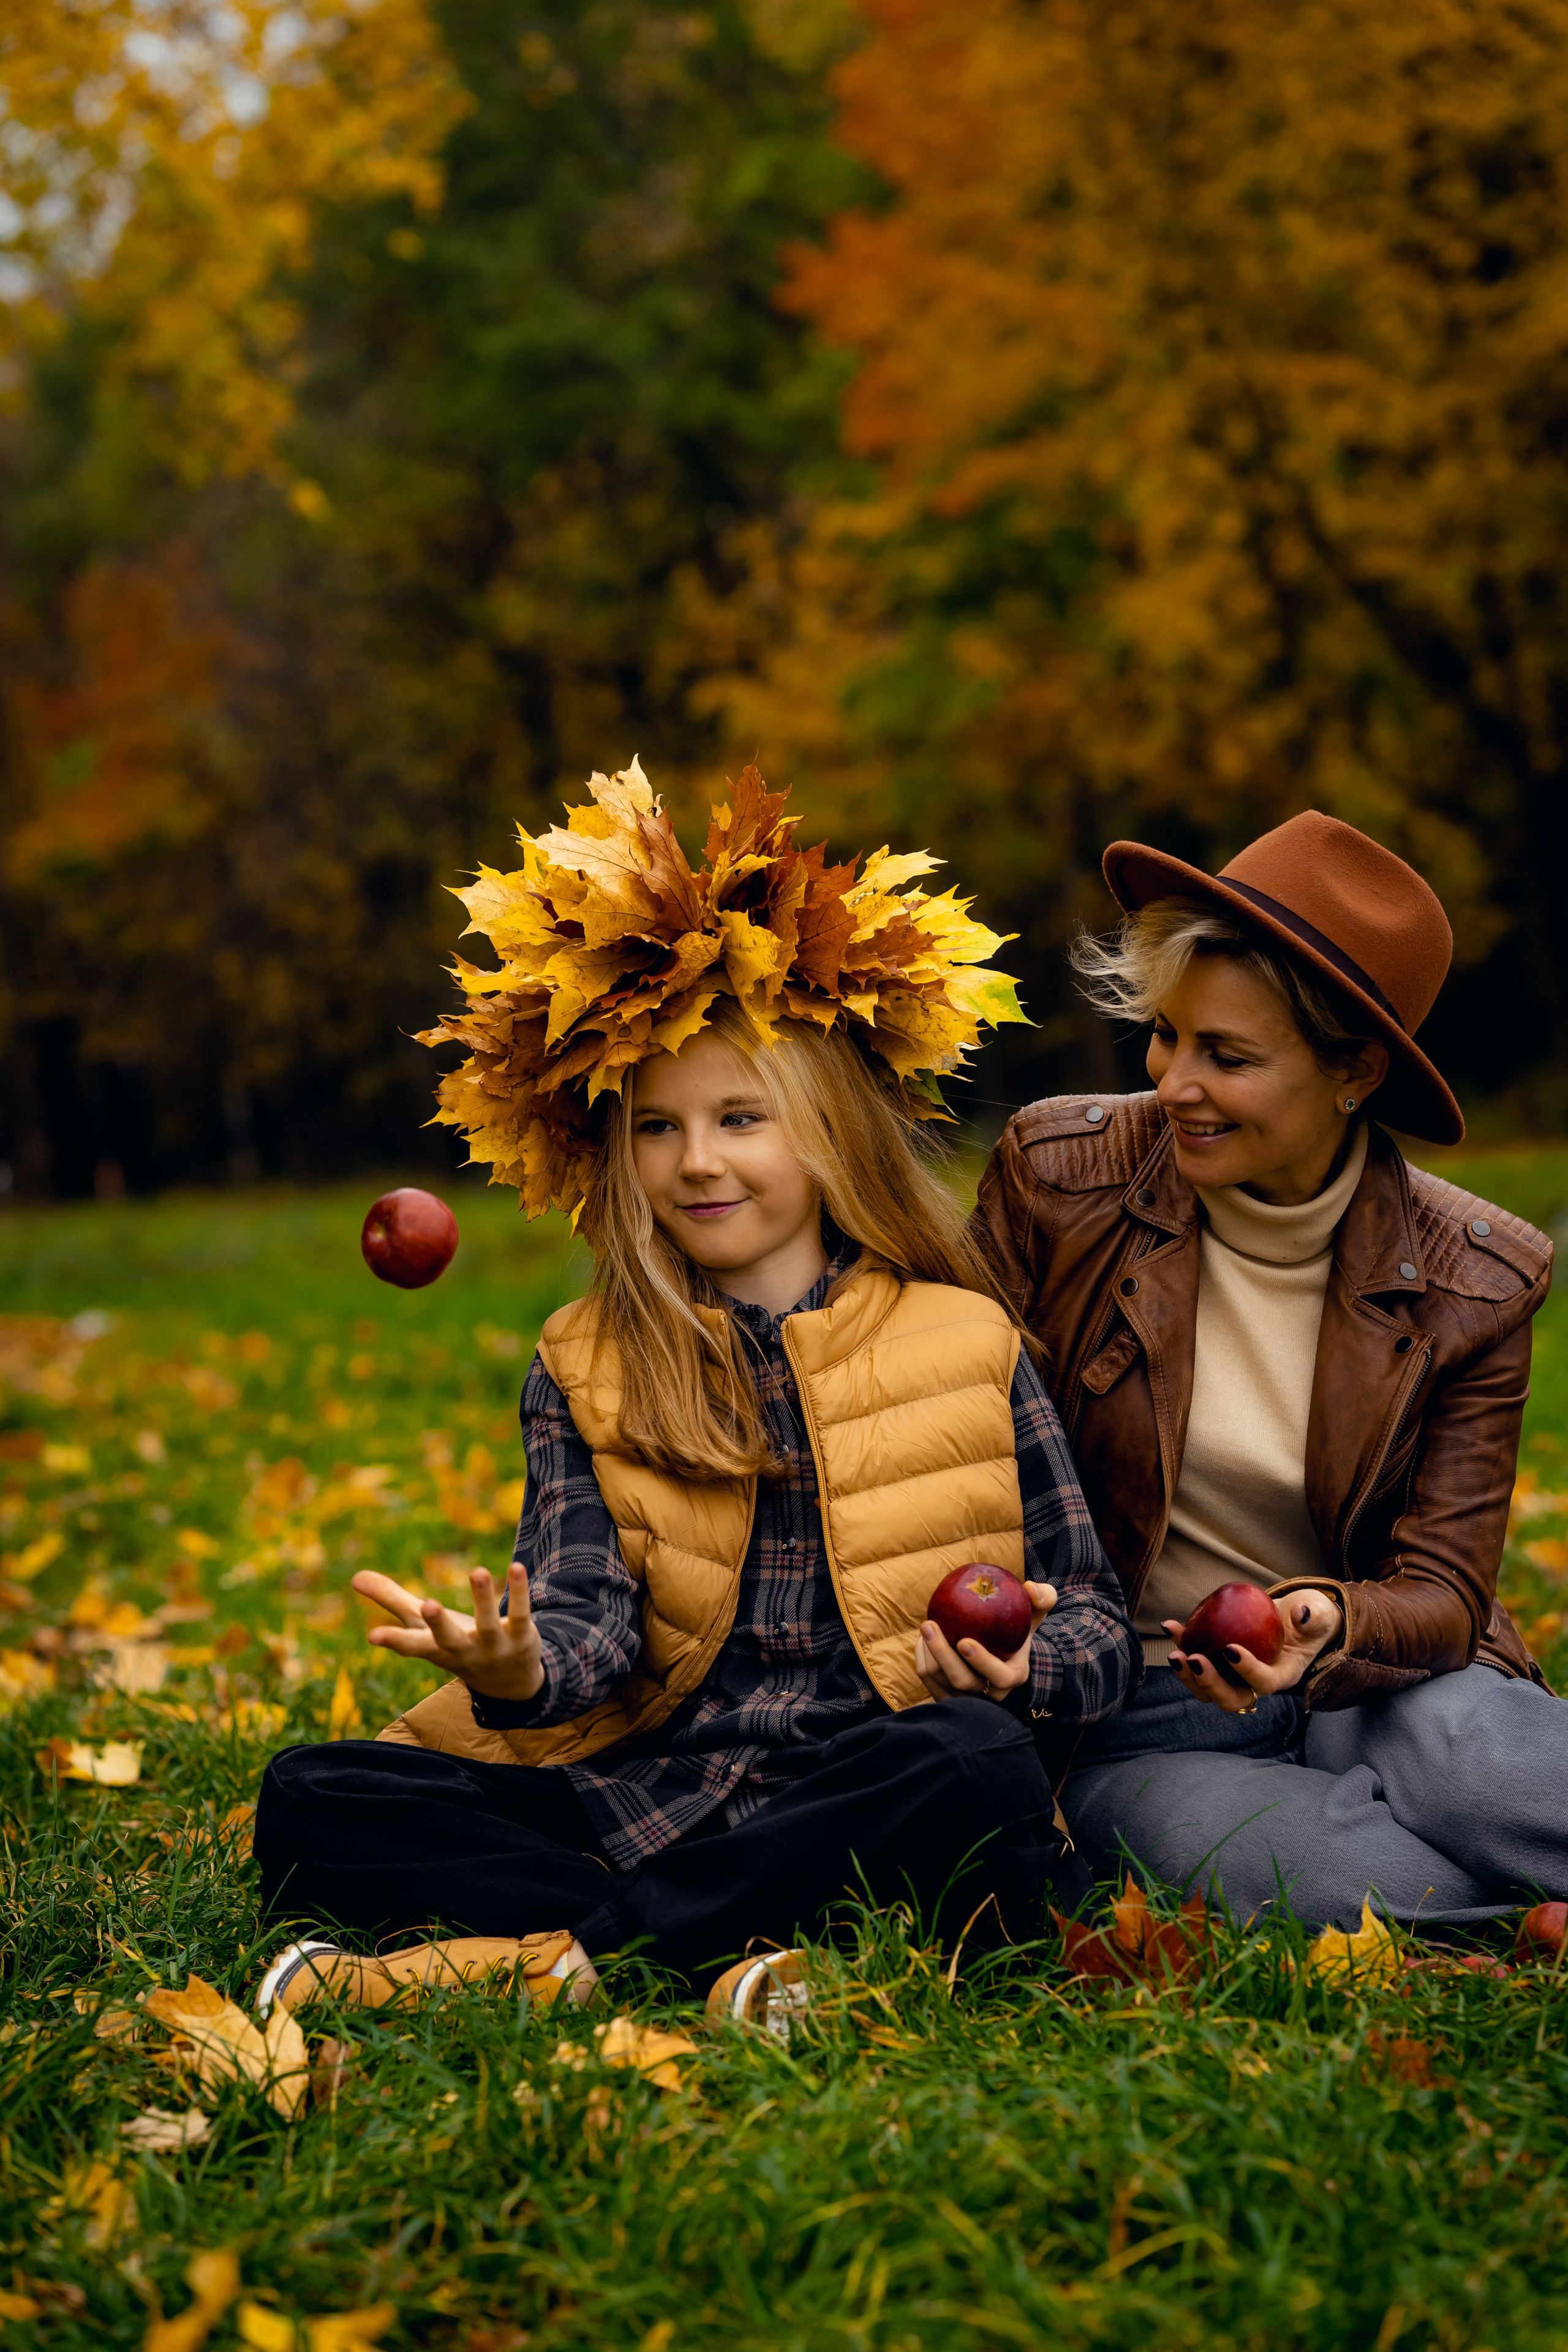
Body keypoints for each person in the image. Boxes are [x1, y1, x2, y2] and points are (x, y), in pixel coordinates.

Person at [254, 762, 1136, 2026]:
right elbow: (588, 1613)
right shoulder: (589, 1359)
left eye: (740, 1118)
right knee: (314, 1797)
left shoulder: (965, 1339)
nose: (698, 1162)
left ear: (827, 1131)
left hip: (873, 1786)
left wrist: (1024, 1664)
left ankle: (559, 1963)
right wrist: (519, 1671)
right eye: (657, 1126)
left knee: (978, 1762)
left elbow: (1097, 1624)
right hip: (657, 1793)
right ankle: (724, 1949)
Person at [973, 808, 1568, 1934]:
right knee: (1333, 1878)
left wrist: (1326, 1624)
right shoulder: (1060, 1178)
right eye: (1167, 1035)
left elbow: (1447, 1593)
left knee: (1496, 1768)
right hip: (1132, 1715)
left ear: (1355, 1072)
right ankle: (1501, 1909)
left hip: (1374, 1686)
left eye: (1228, 1056)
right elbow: (953, 1443)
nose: (1172, 1082)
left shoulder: (1477, 1280)